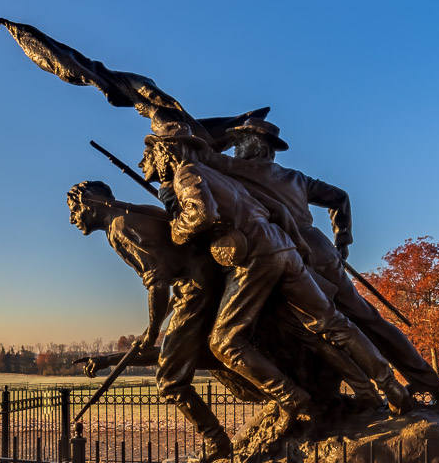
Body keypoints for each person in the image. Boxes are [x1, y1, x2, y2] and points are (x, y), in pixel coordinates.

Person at [140, 127, 415, 420]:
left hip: (255, 258)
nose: (146, 161)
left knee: (224, 342)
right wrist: (299, 251)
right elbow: (276, 211)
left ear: (164, 152)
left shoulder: (187, 174)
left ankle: (292, 398)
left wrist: (177, 230)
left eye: (151, 153)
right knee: (334, 323)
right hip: (284, 250)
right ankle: (391, 387)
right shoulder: (222, 176)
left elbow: (201, 214)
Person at [215, 114, 439, 407]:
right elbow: (340, 198)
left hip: (287, 250)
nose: (234, 148)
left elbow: (193, 153)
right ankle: (431, 384)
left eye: (238, 141)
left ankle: (362, 391)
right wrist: (342, 241)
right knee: (368, 318)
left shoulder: (232, 168)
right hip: (320, 247)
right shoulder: (295, 177)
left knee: (321, 326)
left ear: (255, 144)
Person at [66, 181, 236, 462]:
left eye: (74, 209)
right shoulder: (132, 214)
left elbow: (157, 281)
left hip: (196, 288)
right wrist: (111, 359)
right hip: (197, 283)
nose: (72, 218)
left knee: (170, 380)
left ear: (92, 203)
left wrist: (154, 329)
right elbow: (167, 349)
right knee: (183, 357)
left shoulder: (119, 228)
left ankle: (216, 441)